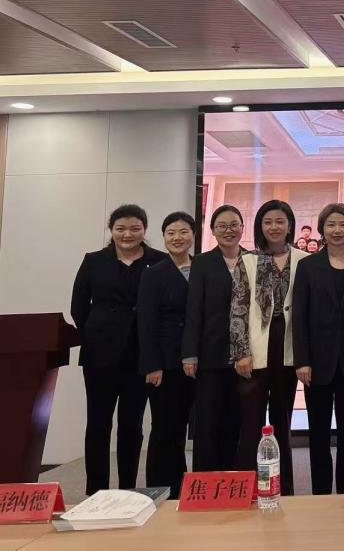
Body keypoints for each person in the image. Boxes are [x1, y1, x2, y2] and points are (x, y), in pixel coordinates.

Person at [72, 204, 167, 495]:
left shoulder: (158, 261)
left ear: (144, 230)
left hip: (140, 355)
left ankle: (127, 489)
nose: (127, 234)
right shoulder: (94, 260)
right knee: (98, 424)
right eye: (120, 228)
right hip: (100, 356)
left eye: (135, 228)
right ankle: (95, 491)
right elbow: (78, 308)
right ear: (111, 230)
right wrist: (98, 333)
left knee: (132, 425)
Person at [293, 203, 344, 494]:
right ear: (322, 230)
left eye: (343, 224)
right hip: (316, 364)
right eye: (331, 225)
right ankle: (320, 494)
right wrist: (302, 360)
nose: (337, 230)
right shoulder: (307, 266)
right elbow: (300, 316)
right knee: (318, 434)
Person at [230, 199, 309, 495]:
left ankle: (283, 488)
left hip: (289, 345)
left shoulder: (304, 259)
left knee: (281, 420)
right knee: (250, 422)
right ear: (260, 227)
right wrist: (241, 351)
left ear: (289, 226)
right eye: (268, 222)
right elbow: (238, 309)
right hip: (255, 348)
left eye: (280, 221)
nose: (274, 227)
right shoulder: (248, 260)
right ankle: (246, 488)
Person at [137, 211, 196, 498]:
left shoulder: (203, 268)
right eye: (171, 233)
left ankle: (186, 487)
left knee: (188, 427)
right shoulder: (154, 273)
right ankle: (161, 491)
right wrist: (152, 364)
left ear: (193, 235)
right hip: (165, 363)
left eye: (183, 232)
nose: (177, 238)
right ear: (163, 237)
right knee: (165, 428)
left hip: (199, 361)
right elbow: (146, 322)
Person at [182, 205, 245, 472]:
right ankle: (206, 480)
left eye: (234, 225)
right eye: (222, 226)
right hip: (210, 354)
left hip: (245, 357)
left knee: (237, 420)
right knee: (208, 421)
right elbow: (193, 309)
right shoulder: (202, 263)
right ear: (213, 231)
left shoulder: (254, 260)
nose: (228, 231)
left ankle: (235, 479)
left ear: (242, 228)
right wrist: (189, 353)